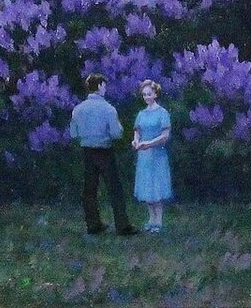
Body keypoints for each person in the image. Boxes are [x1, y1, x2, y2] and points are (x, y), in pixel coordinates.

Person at [69, 73, 139, 236]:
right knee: (114, 189)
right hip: (105, 151)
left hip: (87, 151)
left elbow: (73, 133)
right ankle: (122, 226)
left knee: (89, 190)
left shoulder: (78, 109)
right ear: (100, 86)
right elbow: (116, 133)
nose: (105, 88)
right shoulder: (108, 109)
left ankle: (93, 224)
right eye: (104, 85)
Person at [131, 78, 173, 233]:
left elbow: (165, 136)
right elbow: (137, 131)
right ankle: (150, 218)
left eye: (149, 94)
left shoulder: (162, 113)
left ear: (155, 94)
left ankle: (159, 220)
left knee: (157, 187)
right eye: (144, 95)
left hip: (157, 155)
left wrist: (149, 143)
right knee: (146, 187)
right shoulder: (141, 114)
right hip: (144, 156)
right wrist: (136, 142)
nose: (146, 97)